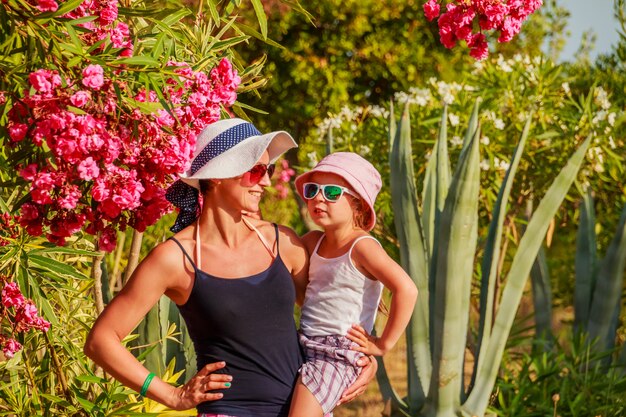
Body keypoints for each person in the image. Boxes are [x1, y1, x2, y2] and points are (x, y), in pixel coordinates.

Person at [84, 119, 377, 417]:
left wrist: (364, 357)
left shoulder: (283, 242)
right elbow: (100, 341)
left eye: (269, 170)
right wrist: (171, 395)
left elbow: (330, 315)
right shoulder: (174, 259)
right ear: (219, 175)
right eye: (256, 171)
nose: (265, 181)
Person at [288, 152, 418, 417]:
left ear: (358, 205)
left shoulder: (362, 247)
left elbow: (407, 288)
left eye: (333, 192)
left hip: (336, 354)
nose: (318, 198)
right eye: (313, 190)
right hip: (304, 344)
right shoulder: (313, 241)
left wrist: (382, 345)